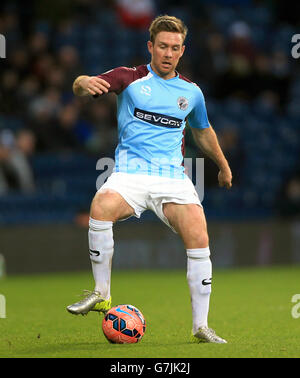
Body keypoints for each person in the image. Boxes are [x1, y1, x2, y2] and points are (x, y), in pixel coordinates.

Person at [66, 15, 232, 344]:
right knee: (101, 206)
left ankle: (201, 326)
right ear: (150, 47)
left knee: (199, 235)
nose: (168, 53)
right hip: (131, 174)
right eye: (162, 47)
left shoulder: (191, 92)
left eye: (174, 48)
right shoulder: (128, 78)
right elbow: (82, 83)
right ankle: (101, 293)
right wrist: (83, 83)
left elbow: (202, 131)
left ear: (182, 50)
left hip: (172, 177)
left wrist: (223, 165)